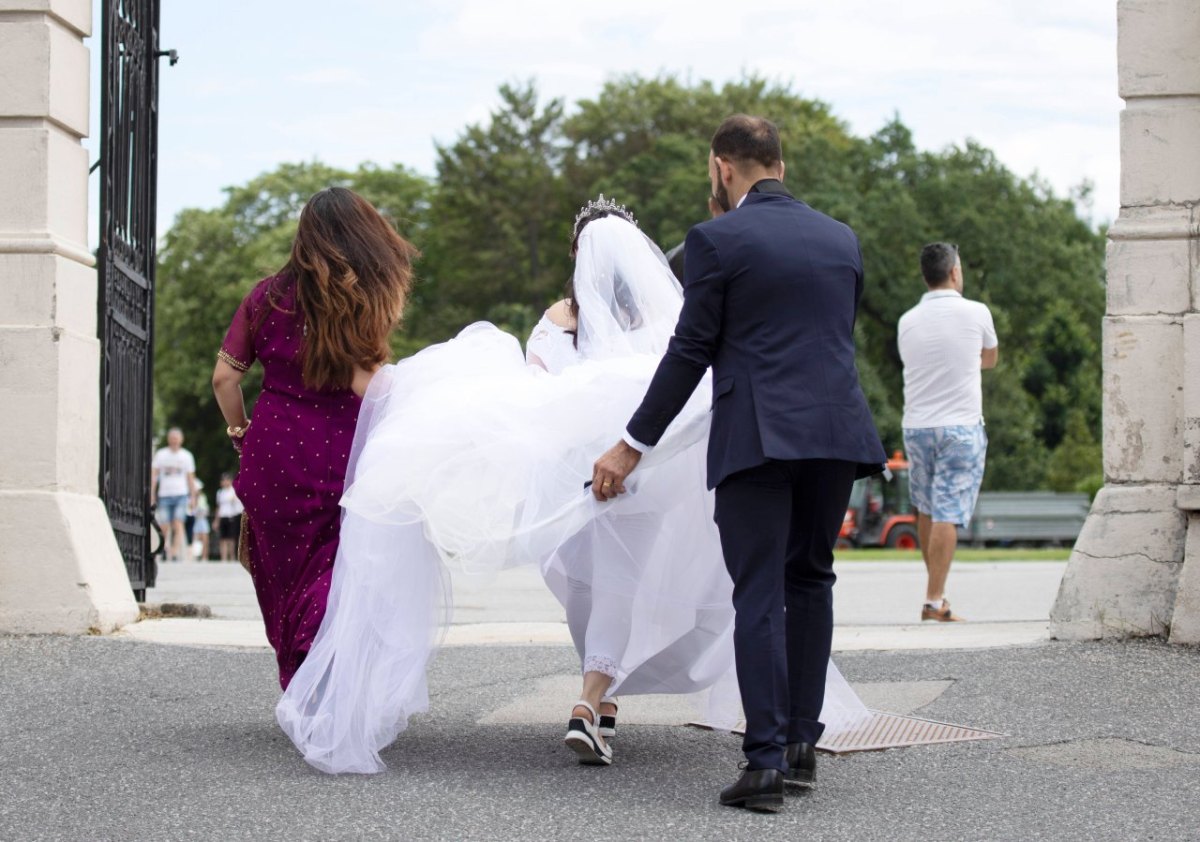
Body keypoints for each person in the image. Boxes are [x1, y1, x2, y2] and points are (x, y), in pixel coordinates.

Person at [275, 197, 872, 775]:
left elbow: (535, 394)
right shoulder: (668, 317)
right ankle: (607, 701)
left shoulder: (558, 323)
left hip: (581, 479)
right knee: (622, 582)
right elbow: (692, 378)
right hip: (645, 475)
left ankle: (592, 698)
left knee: (594, 584)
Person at [592, 115, 887, 812]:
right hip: (836, 433)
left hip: (759, 435)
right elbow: (830, 338)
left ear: (722, 167)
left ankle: (762, 767)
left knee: (757, 592)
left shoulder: (716, 240)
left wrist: (631, 443)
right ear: (779, 163)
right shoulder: (840, 238)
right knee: (811, 580)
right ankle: (799, 745)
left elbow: (690, 350)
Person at [211, 186, 419, 689]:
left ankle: (299, 673)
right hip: (340, 453)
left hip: (272, 451)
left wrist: (240, 432)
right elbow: (364, 384)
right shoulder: (356, 300)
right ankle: (325, 675)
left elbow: (224, 379)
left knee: (283, 572)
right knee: (334, 566)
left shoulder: (264, 297)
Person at [896, 242, 998, 623]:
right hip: (960, 425)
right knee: (947, 511)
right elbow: (989, 358)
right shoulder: (976, 312)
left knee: (925, 507)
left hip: (917, 426)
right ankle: (934, 599)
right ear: (954, 272)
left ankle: (935, 592)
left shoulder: (907, 320)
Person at [150, 427, 197, 562]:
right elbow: (154, 476)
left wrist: (193, 497)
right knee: (164, 525)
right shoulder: (161, 454)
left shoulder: (186, 456)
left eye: (177, 438)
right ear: (169, 439)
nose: (175, 441)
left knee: (178, 523)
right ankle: (165, 548)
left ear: (181, 440)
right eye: (172, 438)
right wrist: (152, 493)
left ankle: (175, 552)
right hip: (165, 494)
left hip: (181, 494)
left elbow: (190, 478)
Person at [214, 473, 244, 562]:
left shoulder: (233, 491)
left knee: (231, 538)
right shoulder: (220, 493)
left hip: (232, 516)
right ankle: (223, 557)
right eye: (223, 480)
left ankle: (232, 556)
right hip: (223, 516)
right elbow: (218, 507)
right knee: (223, 538)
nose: (224, 482)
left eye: (226, 480)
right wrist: (216, 520)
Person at [191, 480, 212, 561]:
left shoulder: (203, 497)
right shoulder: (192, 498)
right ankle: (196, 556)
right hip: (196, 520)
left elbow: (205, 509)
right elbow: (192, 511)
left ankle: (204, 557)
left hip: (203, 519)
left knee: (205, 538)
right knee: (196, 539)